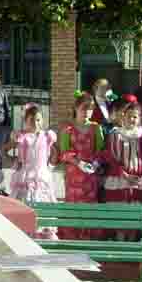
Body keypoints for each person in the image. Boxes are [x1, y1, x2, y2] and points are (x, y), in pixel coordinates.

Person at [54, 91, 105, 240]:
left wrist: (95, 163)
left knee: (89, 207)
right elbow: (63, 153)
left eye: (90, 109)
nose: (87, 112)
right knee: (73, 207)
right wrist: (78, 162)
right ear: (76, 108)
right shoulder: (67, 129)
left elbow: (101, 151)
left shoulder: (96, 128)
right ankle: (72, 238)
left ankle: (88, 238)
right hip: (73, 176)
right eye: (84, 108)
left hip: (90, 176)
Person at [7, 104, 58, 239]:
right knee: (25, 206)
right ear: (25, 121)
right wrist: (14, 162)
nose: (35, 123)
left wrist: (50, 166)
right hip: (25, 176)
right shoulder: (21, 137)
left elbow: (54, 153)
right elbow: (5, 149)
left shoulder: (47, 136)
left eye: (38, 120)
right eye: (31, 120)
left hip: (42, 177)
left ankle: (43, 235)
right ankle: (26, 235)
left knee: (42, 208)